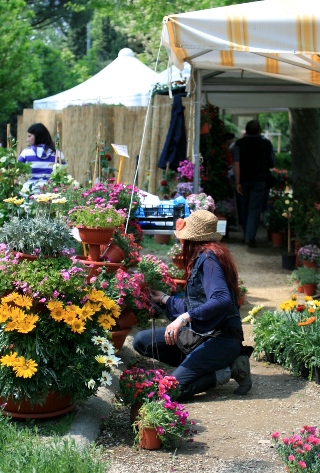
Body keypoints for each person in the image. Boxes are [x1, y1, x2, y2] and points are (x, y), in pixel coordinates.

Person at [133, 210, 252, 401]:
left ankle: (229, 369)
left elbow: (221, 300)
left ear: (191, 239)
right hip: (202, 334)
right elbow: (197, 305)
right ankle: (197, 365)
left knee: (169, 390)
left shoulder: (209, 259)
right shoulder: (205, 256)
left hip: (222, 339)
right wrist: (164, 299)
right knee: (142, 341)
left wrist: (182, 319)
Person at [233, 120, 275, 247]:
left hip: (244, 180)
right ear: (259, 131)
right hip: (260, 179)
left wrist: (237, 182)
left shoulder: (239, 144)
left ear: (246, 130)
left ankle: (247, 233)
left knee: (244, 208)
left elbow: (236, 163)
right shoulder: (267, 144)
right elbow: (272, 162)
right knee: (254, 209)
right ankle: (250, 236)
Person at [18, 123, 65, 193]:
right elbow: (63, 174)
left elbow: (16, 171)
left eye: (29, 136)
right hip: (50, 192)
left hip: (28, 193)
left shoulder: (26, 153)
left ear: (37, 136)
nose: (27, 140)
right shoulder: (58, 154)